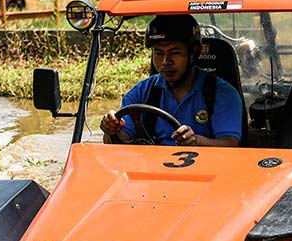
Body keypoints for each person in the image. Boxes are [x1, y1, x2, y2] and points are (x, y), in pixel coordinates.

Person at [100, 14, 243, 147]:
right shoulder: (141, 93)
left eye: (174, 53)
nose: (165, 62)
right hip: (153, 169)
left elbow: (230, 143)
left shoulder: (222, 93)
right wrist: (112, 129)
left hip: (206, 168)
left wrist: (196, 141)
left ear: (194, 53)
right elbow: (121, 141)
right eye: (158, 53)